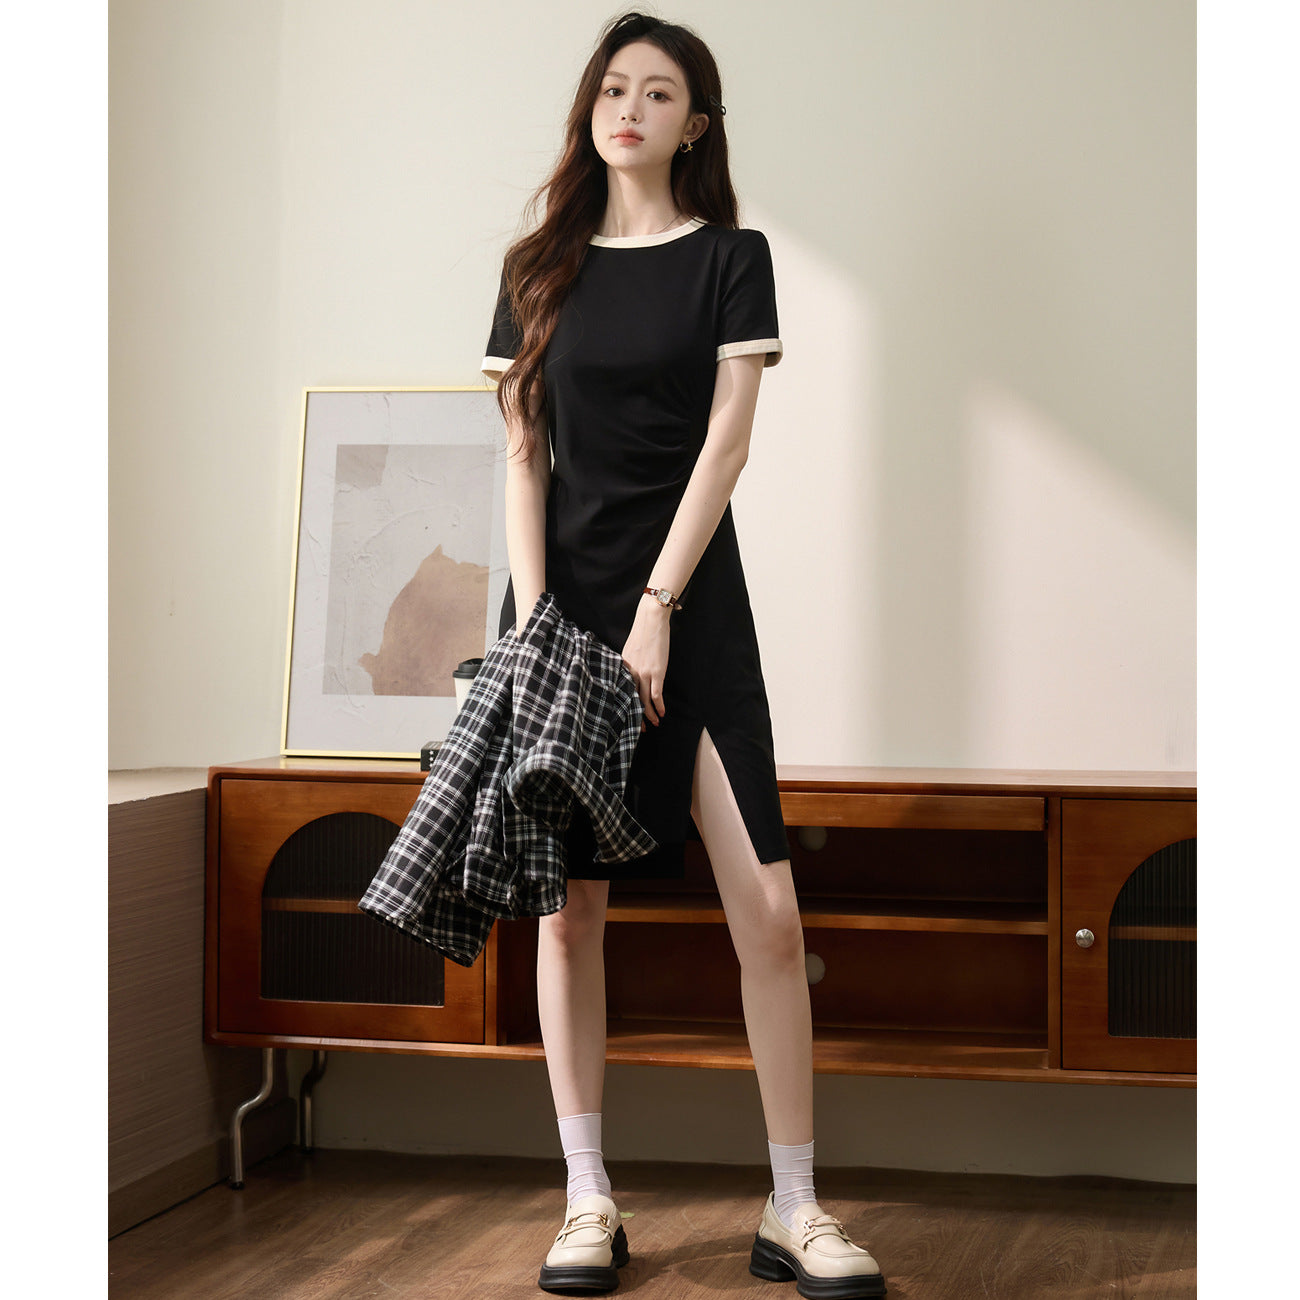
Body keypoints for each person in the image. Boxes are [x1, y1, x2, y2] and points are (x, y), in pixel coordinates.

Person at [481, 12, 886, 1297]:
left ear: (694, 124)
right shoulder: (537, 267)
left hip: (690, 608)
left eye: (659, 93)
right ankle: (586, 1199)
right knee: (570, 916)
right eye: (615, 87)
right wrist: (538, 628)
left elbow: (727, 445)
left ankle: (795, 1207)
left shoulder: (729, 258)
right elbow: (522, 455)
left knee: (767, 911)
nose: (630, 108)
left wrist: (656, 604)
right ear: (589, 108)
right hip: (563, 610)